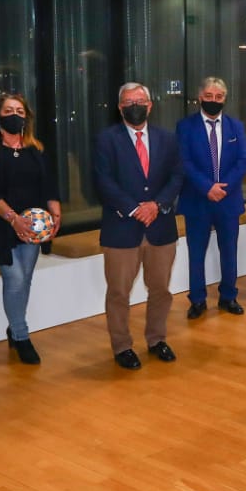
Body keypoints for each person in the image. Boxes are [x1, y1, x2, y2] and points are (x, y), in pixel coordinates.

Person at [93, 83, 185, 370]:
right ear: (120, 107)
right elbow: (103, 180)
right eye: (128, 101)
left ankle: (156, 339)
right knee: (119, 293)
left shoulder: (167, 138)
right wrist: (135, 208)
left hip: (160, 227)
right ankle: (122, 346)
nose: (135, 105)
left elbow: (177, 175)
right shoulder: (106, 139)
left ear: (150, 105)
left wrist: (156, 205)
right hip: (122, 229)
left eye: (140, 100)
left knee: (161, 290)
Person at [0, 92, 61, 365]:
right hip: (2, 225)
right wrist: (13, 219)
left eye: (20, 112)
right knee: (15, 280)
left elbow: (49, 183)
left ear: (27, 117)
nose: (15, 116)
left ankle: (14, 325)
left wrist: (55, 213)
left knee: (26, 279)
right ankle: (21, 336)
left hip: (34, 225)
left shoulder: (36, 148)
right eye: (9, 110)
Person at [177, 76, 246, 319]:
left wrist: (223, 189)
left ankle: (228, 297)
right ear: (200, 97)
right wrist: (207, 187)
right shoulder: (185, 126)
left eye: (218, 97)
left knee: (229, 251)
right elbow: (184, 162)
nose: (213, 101)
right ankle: (197, 300)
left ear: (224, 99)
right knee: (196, 254)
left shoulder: (235, 126)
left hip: (228, 201)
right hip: (197, 200)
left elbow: (243, 161)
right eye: (208, 96)